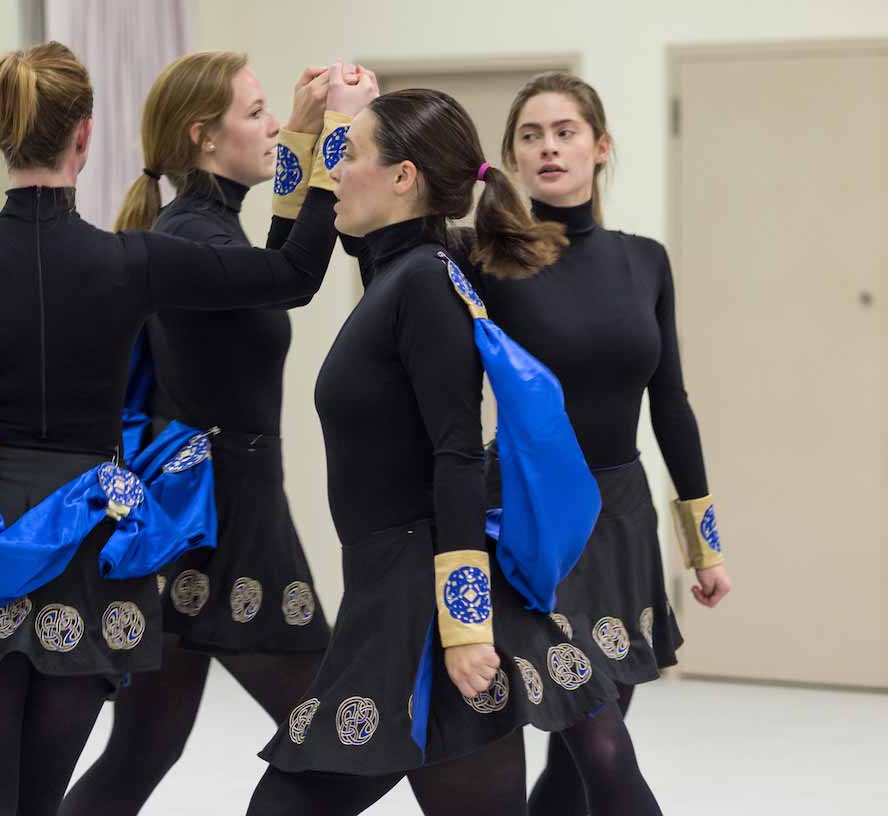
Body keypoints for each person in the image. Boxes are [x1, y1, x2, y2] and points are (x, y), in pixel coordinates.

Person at [0, 42, 373, 816]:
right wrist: (330, 135)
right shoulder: (132, 262)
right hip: (82, 564)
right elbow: (295, 275)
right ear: (86, 136)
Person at [247, 88, 615, 816]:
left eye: (347, 158)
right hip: (388, 589)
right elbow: (289, 254)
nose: (335, 174)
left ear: (404, 178)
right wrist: (315, 127)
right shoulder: (396, 268)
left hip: (419, 598)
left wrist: (466, 626)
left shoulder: (424, 280)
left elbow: (456, 456)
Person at [60, 52, 345, 816]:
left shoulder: (207, 229)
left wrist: (309, 131)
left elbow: (282, 257)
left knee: (145, 746)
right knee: (337, 737)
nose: (273, 125)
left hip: (217, 510)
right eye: (256, 114)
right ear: (203, 138)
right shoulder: (191, 238)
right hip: (225, 519)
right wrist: (336, 137)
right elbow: (299, 275)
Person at [472, 69, 733, 815]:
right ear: (514, 159)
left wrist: (704, 543)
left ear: (600, 147)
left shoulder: (645, 260)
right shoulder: (486, 259)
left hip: (621, 519)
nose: (548, 148)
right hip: (529, 522)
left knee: (581, 747)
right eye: (531, 136)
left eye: (565, 132)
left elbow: (671, 403)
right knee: (604, 745)